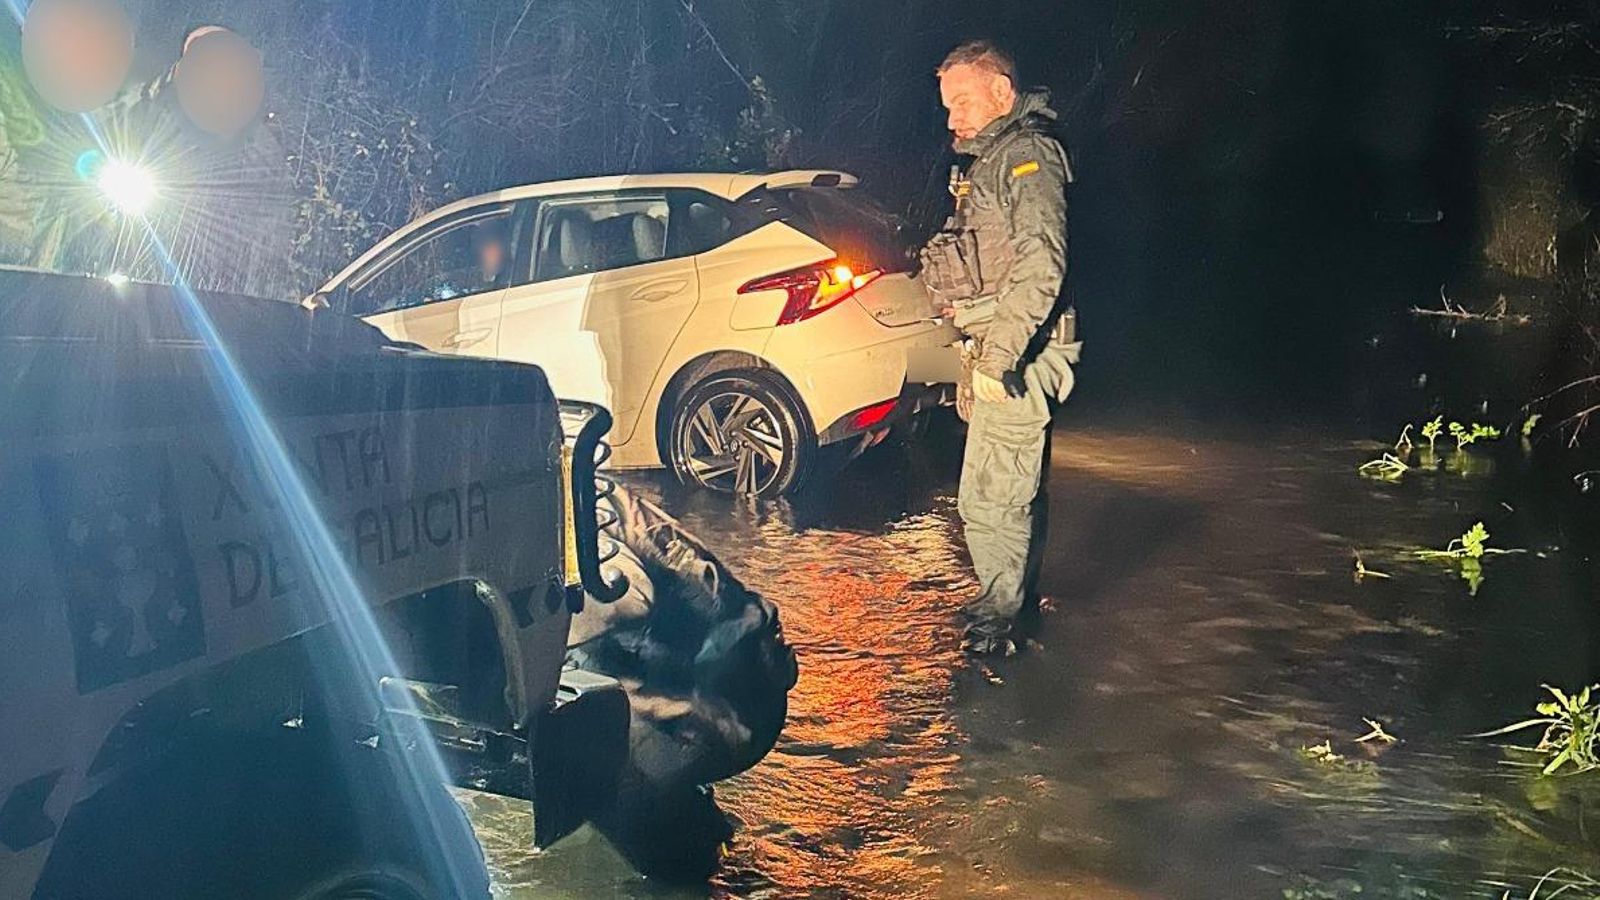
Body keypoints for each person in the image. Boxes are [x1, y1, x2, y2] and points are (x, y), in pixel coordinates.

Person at [919, 39, 1080, 656]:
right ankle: (1012, 608)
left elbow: (1043, 267)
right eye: (946, 105)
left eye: (962, 101)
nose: (952, 117)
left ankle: (997, 634)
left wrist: (998, 358)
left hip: (1020, 352)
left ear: (1001, 93)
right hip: (1003, 343)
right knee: (1007, 489)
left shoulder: (1026, 157)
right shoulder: (993, 159)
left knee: (990, 498)